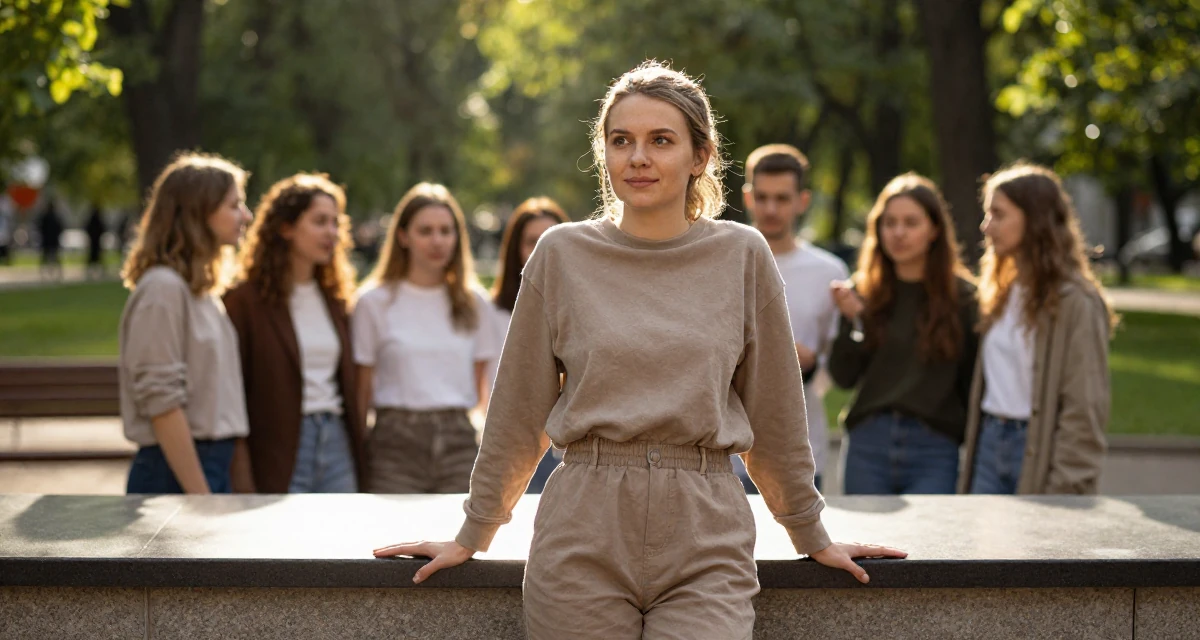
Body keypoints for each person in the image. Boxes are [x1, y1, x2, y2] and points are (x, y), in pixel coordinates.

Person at [374, 61, 904, 639]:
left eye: (661, 141)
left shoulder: (743, 255)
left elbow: (776, 412)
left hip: (707, 531)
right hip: (582, 528)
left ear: (699, 156)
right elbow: (518, 411)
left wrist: (810, 531)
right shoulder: (561, 254)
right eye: (620, 140)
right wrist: (474, 532)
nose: (638, 158)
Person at [960, 162, 1117, 495]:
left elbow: (1084, 408)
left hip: (1034, 449)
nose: (986, 226)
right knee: (981, 547)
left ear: (1035, 219)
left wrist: (1067, 487)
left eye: (998, 215)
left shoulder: (1076, 301)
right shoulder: (998, 289)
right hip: (988, 443)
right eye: (987, 214)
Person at [828, 173, 978, 495]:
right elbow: (843, 377)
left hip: (935, 445)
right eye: (889, 222)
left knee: (929, 546)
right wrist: (854, 320)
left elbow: (972, 382)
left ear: (935, 229)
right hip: (869, 442)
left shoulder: (964, 298)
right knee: (867, 543)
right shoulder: (862, 291)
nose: (898, 233)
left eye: (911, 223)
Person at [118, 153, 252, 494]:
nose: (246, 216)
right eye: (234, 205)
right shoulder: (162, 289)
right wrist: (201, 497)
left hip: (208, 465)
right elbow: (161, 401)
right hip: (176, 472)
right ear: (198, 212)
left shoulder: (202, 293)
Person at [352, 182, 499, 494]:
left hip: (459, 441)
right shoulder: (373, 302)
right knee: (396, 540)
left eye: (446, 231)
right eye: (426, 230)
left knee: (456, 538)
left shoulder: (475, 303)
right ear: (403, 236)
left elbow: (481, 385)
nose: (437, 241)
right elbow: (361, 390)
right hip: (394, 443)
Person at [224, 174, 366, 494]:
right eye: (319, 222)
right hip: (280, 445)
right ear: (285, 228)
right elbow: (233, 393)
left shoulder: (336, 298)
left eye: (335, 223)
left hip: (335, 442)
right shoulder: (244, 301)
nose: (331, 232)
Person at [739, 143, 849, 493]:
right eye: (762, 196)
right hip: (726, 453)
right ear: (747, 197)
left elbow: (839, 365)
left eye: (782, 198)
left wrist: (812, 363)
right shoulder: (722, 260)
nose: (770, 208)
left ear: (802, 201)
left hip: (800, 448)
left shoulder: (829, 272)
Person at [489, 196, 570, 494]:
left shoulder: (584, 312)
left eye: (550, 239)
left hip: (564, 447)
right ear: (516, 249)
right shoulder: (490, 312)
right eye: (531, 241)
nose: (542, 250)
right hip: (509, 443)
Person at [38, 201, 64, 281]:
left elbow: (40, 227)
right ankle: (58, 273)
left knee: (46, 257)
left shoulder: (45, 217)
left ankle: (44, 273)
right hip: (53, 240)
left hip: (47, 240)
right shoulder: (55, 217)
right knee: (54, 257)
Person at [85, 204, 106, 279]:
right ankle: (100, 271)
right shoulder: (97, 219)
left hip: (94, 240)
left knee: (93, 256)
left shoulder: (92, 219)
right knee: (96, 256)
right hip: (96, 241)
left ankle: (89, 272)